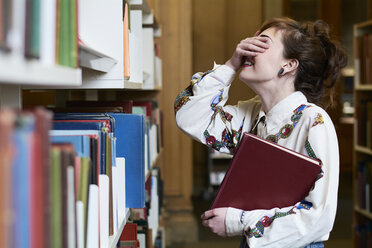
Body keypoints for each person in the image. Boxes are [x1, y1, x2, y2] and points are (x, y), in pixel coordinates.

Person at [174, 17, 347, 248]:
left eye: (262, 43)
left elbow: (319, 218)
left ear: (288, 65)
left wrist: (238, 221)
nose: (249, 48)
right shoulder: (252, 114)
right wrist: (230, 65)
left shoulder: (313, 120)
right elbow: (189, 115)